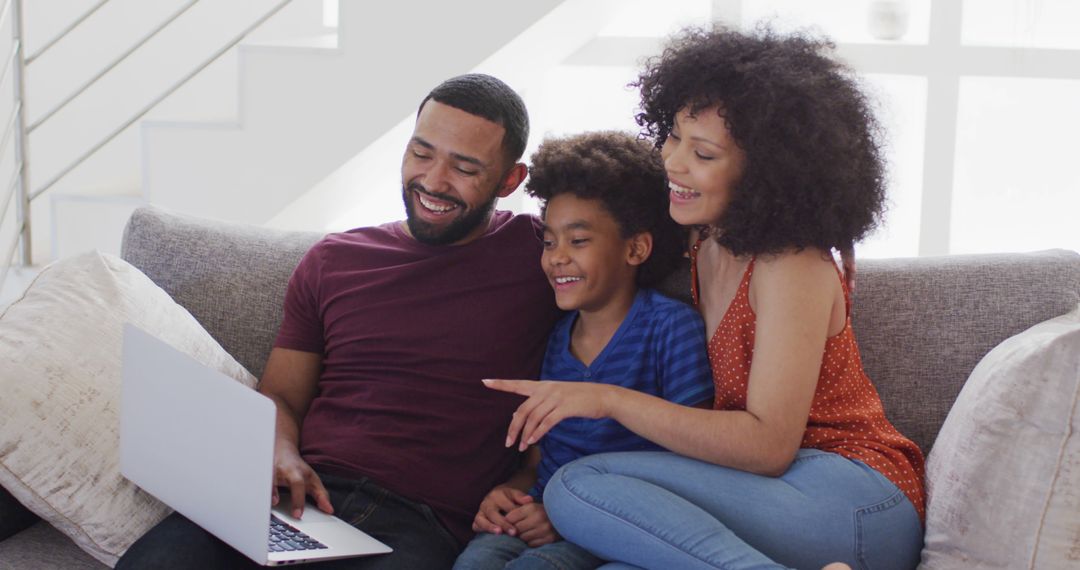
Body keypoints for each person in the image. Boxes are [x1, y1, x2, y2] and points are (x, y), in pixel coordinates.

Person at [484, 26, 926, 569]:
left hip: (854, 500)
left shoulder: (791, 263)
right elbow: (601, 226)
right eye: (673, 137)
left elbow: (767, 448)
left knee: (580, 485)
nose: (673, 163)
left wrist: (607, 397)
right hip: (763, 502)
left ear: (765, 171)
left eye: (705, 154)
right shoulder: (703, 241)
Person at [116, 74, 561, 570]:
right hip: (300, 496)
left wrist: (531, 488)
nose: (433, 181)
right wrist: (281, 452)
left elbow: (626, 239)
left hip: (420, 525)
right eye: (421, 153)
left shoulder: (542, 256)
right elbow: (282, 396)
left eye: (464, 168)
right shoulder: (335, 259)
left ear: (510, 180)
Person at [452, 132, 714, 570]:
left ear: (635, 248)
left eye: (578, 241)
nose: (556, 258)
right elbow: (538, 462)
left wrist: (568, 517)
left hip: (616, 521)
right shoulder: (556, 339)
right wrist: (508, 493)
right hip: (539, 512)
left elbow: (693, 460)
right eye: (549, 242)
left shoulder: (670, 327)